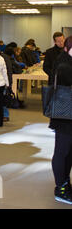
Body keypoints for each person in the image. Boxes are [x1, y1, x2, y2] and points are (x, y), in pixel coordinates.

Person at [48, 36, 72, 205]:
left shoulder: (66, 62)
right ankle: (60, 187)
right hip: (64, 116)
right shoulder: (64, 65)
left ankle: (65, 182)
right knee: (62, 151)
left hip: (67, 115)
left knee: (68, 152)